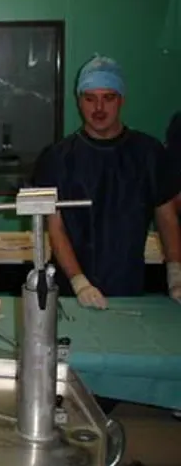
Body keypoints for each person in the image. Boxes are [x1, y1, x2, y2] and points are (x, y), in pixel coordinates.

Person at [33, 55, 181, 307]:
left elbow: (167, 218)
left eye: (108, 98)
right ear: (79, 101)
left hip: (128, 288)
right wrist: (79, 282)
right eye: (90, 98)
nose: (99, 108)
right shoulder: (57, 158)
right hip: (71, 293)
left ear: (122, 99)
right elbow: (56, 227)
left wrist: (176, 275)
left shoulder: (148, 153)